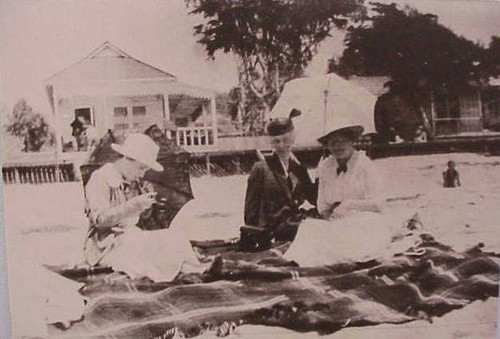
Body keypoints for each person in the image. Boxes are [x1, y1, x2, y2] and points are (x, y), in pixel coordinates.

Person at [83, 133, 215, 282]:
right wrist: (135, 204)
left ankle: (193, 269)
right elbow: (100, 221)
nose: (143, 174)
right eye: (141, 168)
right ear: (127, 159)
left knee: (174, 236)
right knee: (139, 244)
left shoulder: (133, 182)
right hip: (105, 245)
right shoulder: (101, 178)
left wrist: (146, 206)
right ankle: (178, 271)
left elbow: (138, 221)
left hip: (130, 236)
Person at [284, 124, 392, 266]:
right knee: (308, 228)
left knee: (350, 234)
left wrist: (348, 205)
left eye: (342, 141)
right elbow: (322, 202)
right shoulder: (325, 166)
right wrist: (327, 214)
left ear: (352, 142)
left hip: (365, 218)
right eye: (332, 142)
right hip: (335, 219)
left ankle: (344, 260)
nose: (337, 146)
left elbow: (379, 203)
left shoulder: (365, 164)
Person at [243, 109, 316, 249]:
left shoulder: (299, 169)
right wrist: (253, 235)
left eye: (286, 140)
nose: (281, 145)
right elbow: (250, 209)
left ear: (293, 138)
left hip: (294, 225)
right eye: (276, 141)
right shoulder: (261, 168)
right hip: (270, 231)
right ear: (270, 143)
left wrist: (322, 172)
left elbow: (313, 198)